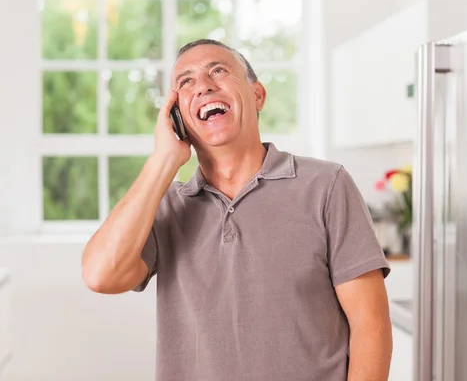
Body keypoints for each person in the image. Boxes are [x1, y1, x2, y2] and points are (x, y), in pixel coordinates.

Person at [81, 38, 393, 381]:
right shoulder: (168, 205)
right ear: (176, 116)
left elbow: (371, 326)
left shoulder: (326, 185)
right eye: (186, 82)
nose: (203, 85)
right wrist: (163, 160)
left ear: (257, 95)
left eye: (218, 70)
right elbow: (100, 275)